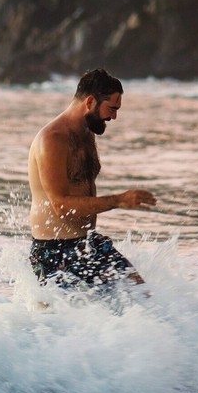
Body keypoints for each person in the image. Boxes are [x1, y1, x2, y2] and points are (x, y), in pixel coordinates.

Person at [27, 68, 156, 289]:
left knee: (140, 294)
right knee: (63, 322)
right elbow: (60, 205)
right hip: (55, 252)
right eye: (112, 108)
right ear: (90, 102)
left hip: (87, 244)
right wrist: (119, 200)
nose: (114, 116)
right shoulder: (53, 140)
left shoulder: (86, 133)